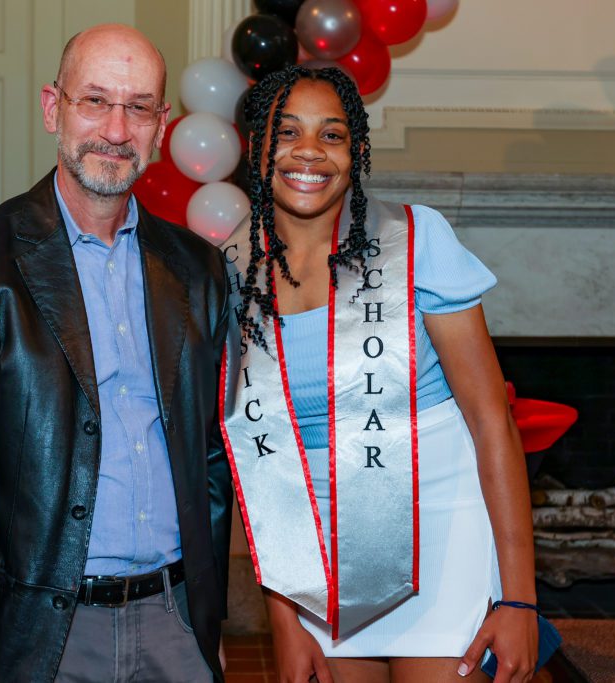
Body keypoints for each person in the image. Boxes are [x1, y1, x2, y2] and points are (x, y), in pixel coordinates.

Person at [0, 24, 231, 683]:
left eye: (138, 107)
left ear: (162, 125)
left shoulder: (198, 271)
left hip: (173, 629)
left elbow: (210, 466)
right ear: (54, 108)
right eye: (95, 100)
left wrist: (205, 621)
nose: (115, 128)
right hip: (40, 637)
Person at [218, 65, 538, 683]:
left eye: (332, 135)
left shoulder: (416, 240)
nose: (308, 151)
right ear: (256, 147)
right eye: (286, 132)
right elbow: (255, 469)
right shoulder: (224, 277)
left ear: (357, 151)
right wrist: (284, 622)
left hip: (442, 528)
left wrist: (520, 597)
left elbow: (491, 419)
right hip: (315, 559)